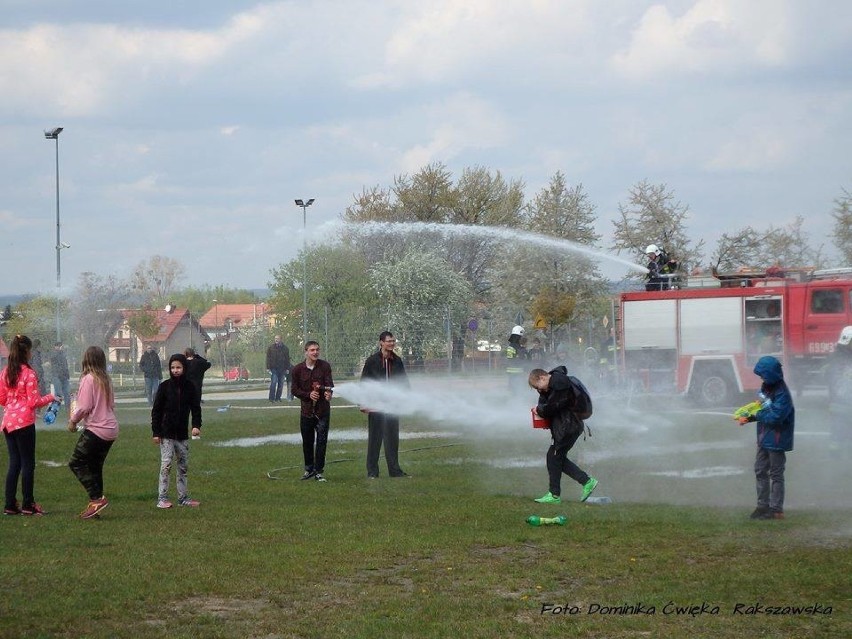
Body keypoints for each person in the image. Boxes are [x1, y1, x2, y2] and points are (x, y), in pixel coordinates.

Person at [1, 335, 57, 516]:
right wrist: (51, 398)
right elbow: (34, 402)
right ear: (26, 351)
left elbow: (2, 398)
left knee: (14, 463)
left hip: (8, 423)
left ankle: (9, 504)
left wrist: (13, 405)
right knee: (28, 464)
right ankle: (28, 503)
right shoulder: (29, 374)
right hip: (24, 424)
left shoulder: (6, 372)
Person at [528, 366, 598, 504]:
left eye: (539, 387)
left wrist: (539, 411)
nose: (540, 390)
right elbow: (551, 404)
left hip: (568, 426)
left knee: (554, 456)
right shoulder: (556, 383)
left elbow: (552, 407)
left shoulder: (559, 383)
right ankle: (582, 483)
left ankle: (557, 494)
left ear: (542, 377)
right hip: (568, 425)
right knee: (555, 457)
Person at [737, 355, 795, 520]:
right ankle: (762, 506)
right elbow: (762, 410)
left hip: (777, 440)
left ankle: (776, 510)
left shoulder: (782, 394)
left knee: (776, 474)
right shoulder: (765, 388)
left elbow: (776, 417)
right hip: (764, 438)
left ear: (771, 374)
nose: (761, 378)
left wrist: (758, 413)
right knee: (760, 470)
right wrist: (748, 418)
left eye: (763, 375)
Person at [68, 346, 119, 519]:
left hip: (97, 428)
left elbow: (84, 406)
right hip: (111, 428)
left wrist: (73, 421)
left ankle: (97, 499)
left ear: (86, 360)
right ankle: (95, 507)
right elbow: (111, 404)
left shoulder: (88, 379)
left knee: (76, 462)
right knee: (94, 467)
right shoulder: (106, 379)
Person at [151, 353, 202, 509]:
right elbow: (156, 410)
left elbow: (196, 408)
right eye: (173, 367)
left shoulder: (190, 387)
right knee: (166, 465)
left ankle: (183, 497)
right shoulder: (164, 387)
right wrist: (156, 432)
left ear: (184, 368)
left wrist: (196, 426)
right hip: (166, 434)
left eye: (178, 367)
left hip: (182, 435)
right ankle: (162, 498)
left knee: (183, 466)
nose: (175, 370)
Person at [360, 331, 409, 478]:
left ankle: (394, 471)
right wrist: (364, 402)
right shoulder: (372, 361)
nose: (392, 344)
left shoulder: (397, 361)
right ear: (381, 342)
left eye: (393, 341)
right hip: (376, 405)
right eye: (389, 341)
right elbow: (364, 383)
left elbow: (404, 382)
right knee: (375, 439)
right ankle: (372, 472)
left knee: (392, 439)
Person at [291, 341, 334, 482]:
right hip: (306, 412)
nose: (315, 352)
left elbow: (329, 385)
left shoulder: (325, 366)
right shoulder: (297, 369)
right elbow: (294, 390)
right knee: (307, 442)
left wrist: (328, 394)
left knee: (322, 441)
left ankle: (318, 471)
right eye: (312, 350)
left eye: (317, 350)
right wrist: (308, 395)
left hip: (322, 411)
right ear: (306, 352)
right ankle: (308, 469)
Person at [826, 326, 852, 450]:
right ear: (847, 341)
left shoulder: (844, 355)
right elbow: (837, 381)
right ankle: (836, 453)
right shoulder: (839, 358)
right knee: (839, 428)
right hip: (841, 402)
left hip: (842, 401)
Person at [266, 335, 292, 402]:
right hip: (274, 368)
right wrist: (268, 367)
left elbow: (287, 359)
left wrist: (287, 368)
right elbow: (268, 358)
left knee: (280, 384)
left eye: (277, 338)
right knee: (273, 383)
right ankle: (271, 398)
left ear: (281, 339)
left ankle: (278, 398)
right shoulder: (271, 348)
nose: (276, 340)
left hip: (282, 369)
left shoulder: (285, 348)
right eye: (275, 338)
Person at [49, 341, 72, 411]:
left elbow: (65, 365)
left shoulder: (63, 354)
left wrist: (67, 374)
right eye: (59, 346)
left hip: (64, 376)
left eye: (61, 346)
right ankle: (54, 410)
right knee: (58, 393)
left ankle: (68, 408)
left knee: (67, 393)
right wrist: (59, 351)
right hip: (57, 376)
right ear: (55, 347)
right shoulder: (54, 354)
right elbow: (53, 359)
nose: (60, 347)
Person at [506, 325, 528, 392]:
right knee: (518, 389)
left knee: (513, 388)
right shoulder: (518, 347)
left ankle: (513, 399)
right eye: (521, 337)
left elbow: (511, 358)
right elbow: (522, 358)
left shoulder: (511, 346)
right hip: (518, 371)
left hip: (511, 372)